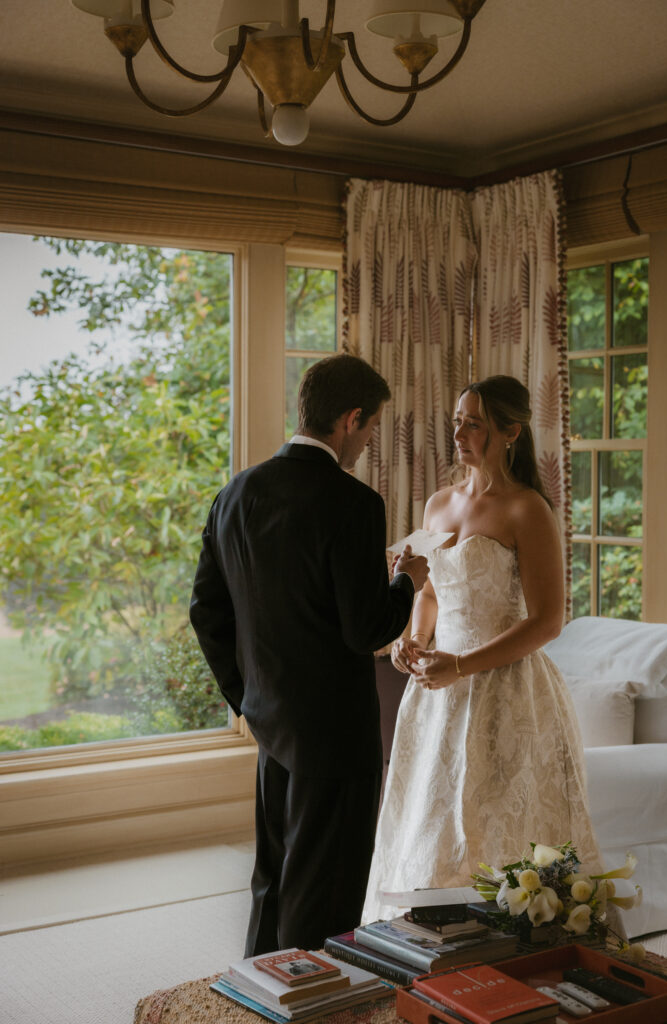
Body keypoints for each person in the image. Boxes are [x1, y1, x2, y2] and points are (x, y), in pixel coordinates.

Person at [189, 353, 429, 956]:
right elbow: (366, 628)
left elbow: (206, 612)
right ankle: (312, 1001)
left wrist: (245, 697)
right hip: (336, 733)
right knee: (326, 885)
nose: (369, 441)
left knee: (272, 876)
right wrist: (406, 583)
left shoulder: (235, 494)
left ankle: (256, 990)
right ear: (351, 419)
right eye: (371, 427)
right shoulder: (353, 503)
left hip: (272, 721)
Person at [362, 374, 603, 923]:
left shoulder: (528, 510)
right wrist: (413, 640)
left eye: (475, 422)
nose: (460, 432)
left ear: (511, 431)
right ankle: (432, 941)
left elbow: (547, 622)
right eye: (457, 421)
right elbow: (429, 594)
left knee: (503, 826)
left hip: (509, 689)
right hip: (438, 690)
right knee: (434, 820)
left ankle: (514, 945)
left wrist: (462, 664)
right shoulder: (438, 505)